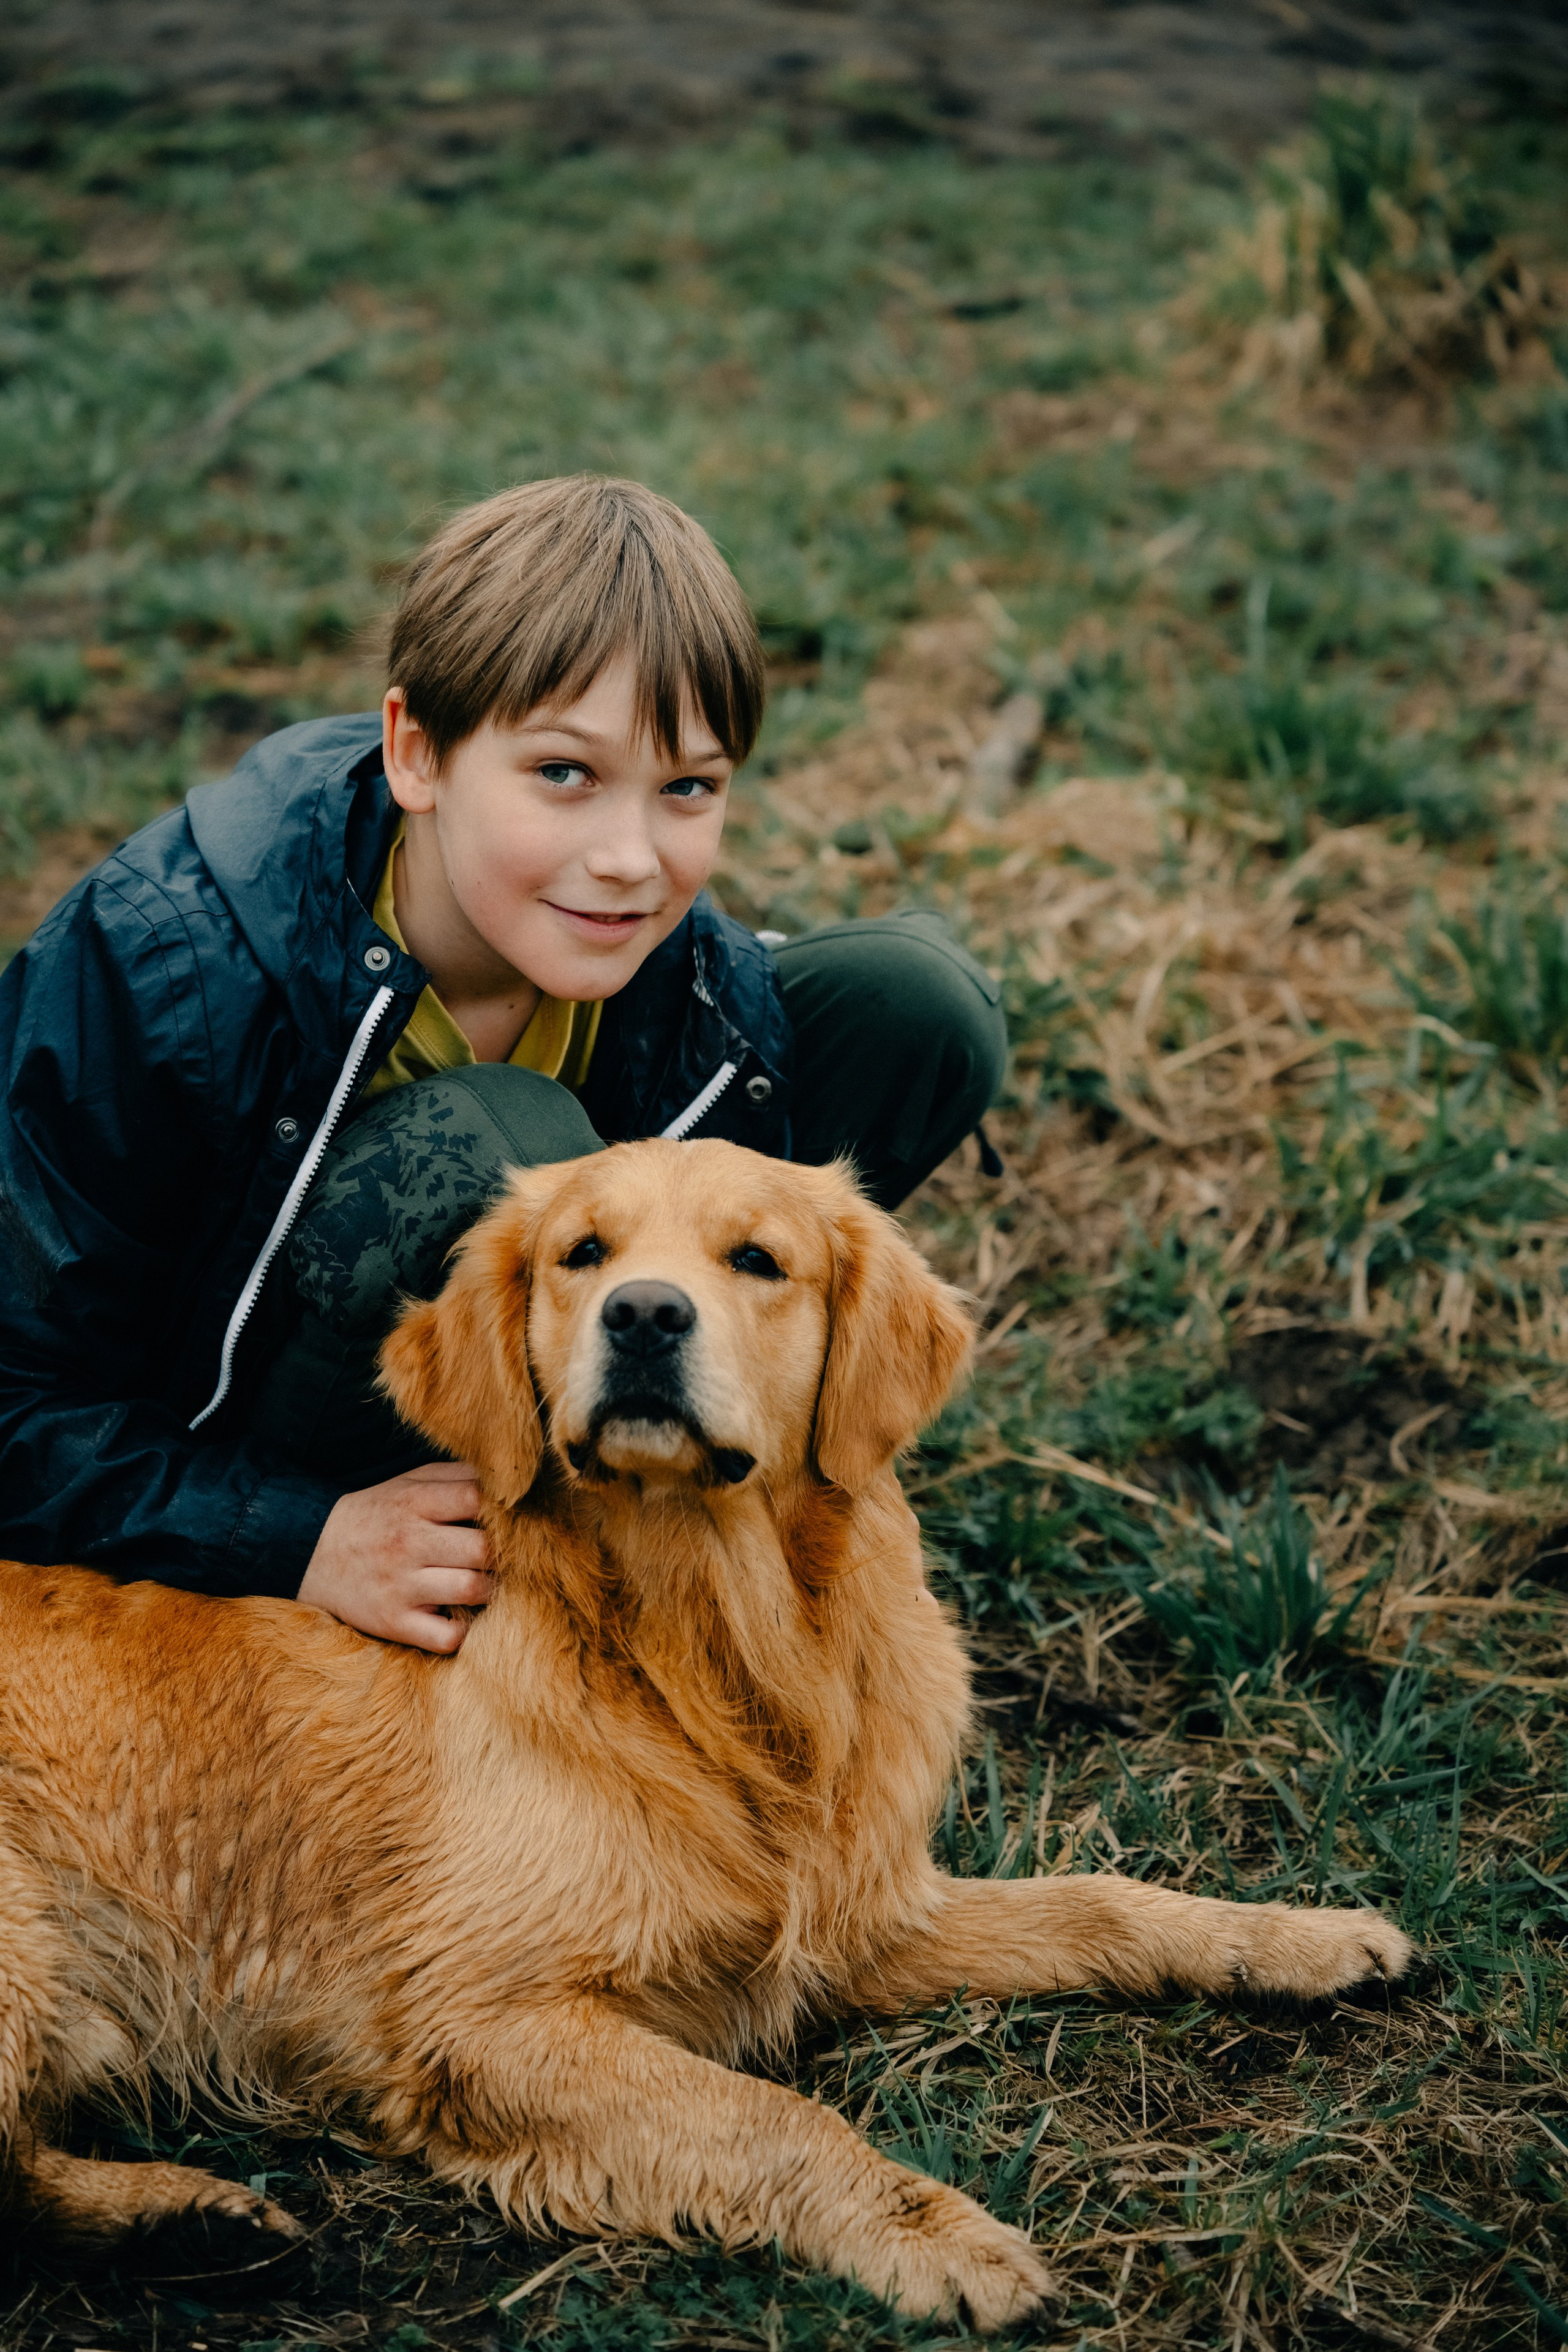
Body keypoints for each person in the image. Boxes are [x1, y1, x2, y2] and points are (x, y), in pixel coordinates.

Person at [0, 477, 1005, 1651]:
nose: (630, 860)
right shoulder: (161, 968)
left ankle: (674, 1414)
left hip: (578, 1333)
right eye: (564, 775)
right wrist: (295, 1532)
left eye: (687, 787)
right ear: (417, 754)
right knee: (503, 1144)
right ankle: (449, 1499)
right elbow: (15, 1398)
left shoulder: (672, 970)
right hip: (206, 1429)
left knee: (914, 1000)